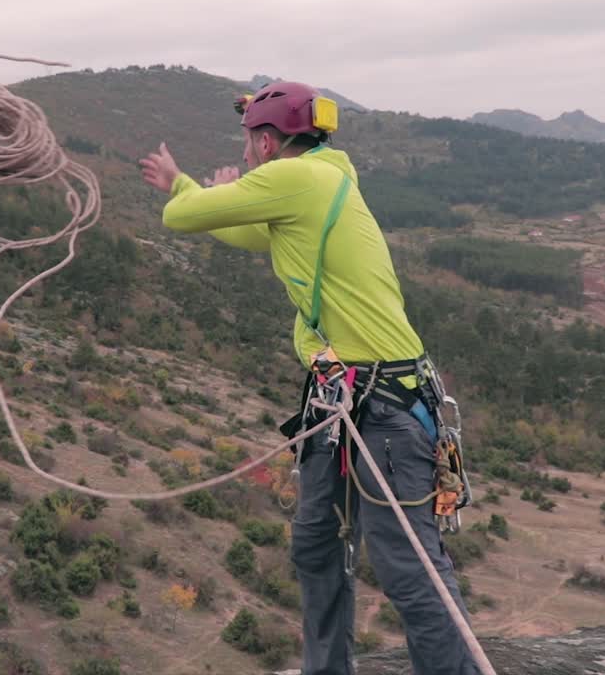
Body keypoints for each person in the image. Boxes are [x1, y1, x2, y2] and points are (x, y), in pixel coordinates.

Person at [139, 81, 479, 675]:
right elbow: (243, 231)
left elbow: (180, 217)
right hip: (350, 398)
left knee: (408, 567)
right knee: (317, 544)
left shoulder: (297, 179)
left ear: (267, 144)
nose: (244, 154)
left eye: (248, 144)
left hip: (380, 404)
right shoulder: (319, 180)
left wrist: (184, 187)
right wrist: (216, 193)